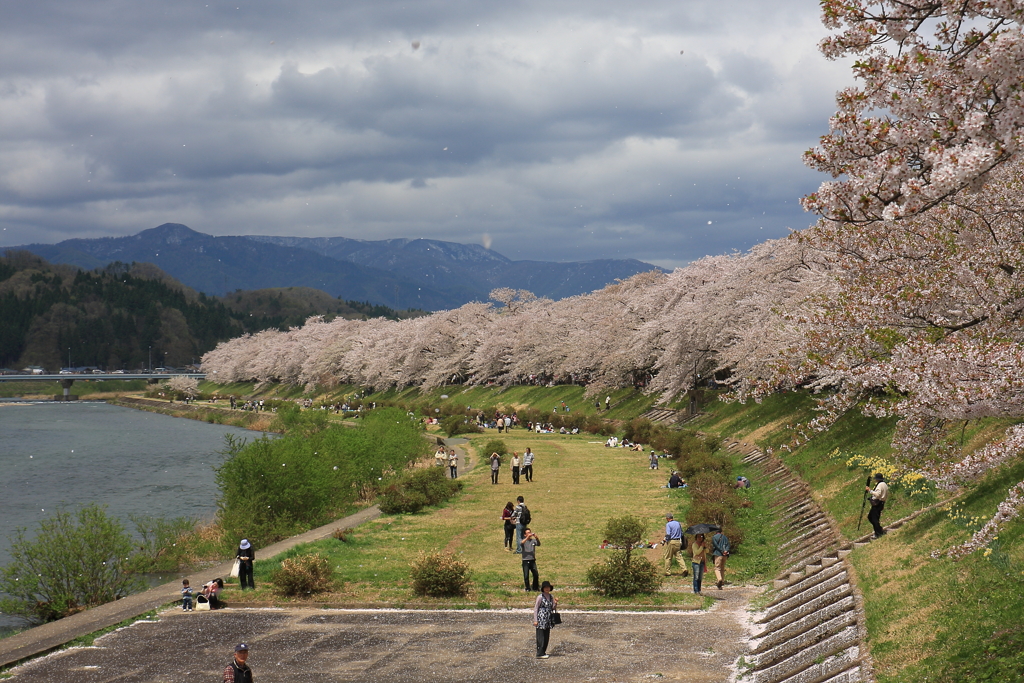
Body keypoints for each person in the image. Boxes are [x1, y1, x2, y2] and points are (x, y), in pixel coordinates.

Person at [533, 581, 558, 658]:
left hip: (548, 618)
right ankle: (539, 653)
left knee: (546, 635)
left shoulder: (551, 597)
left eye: (548, 587)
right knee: (541, 636)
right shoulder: (540, 597)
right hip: (541, 618)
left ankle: (543, 652)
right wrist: (535, 620)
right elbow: (536, 608)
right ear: (543, 588)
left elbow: (553, 607)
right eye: (545, 587)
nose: (547, 588)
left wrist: (555, 603)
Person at [866, 473, 890, 538]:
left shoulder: (880, 485)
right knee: (873, 517)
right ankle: (879, 530)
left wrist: (870, 491)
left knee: (873, 518)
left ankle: (878, 532)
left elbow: (878, 494)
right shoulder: (884, 484)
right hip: (881, 502)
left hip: (877, 503)